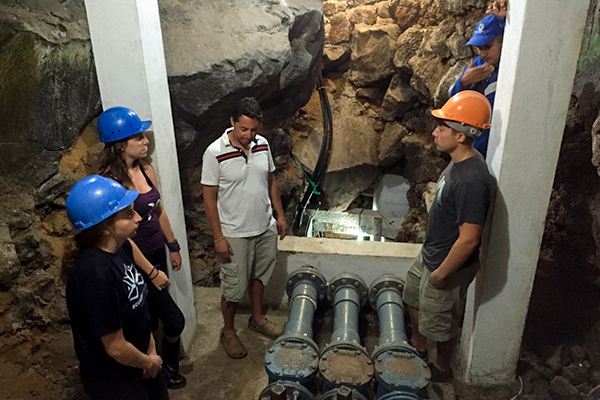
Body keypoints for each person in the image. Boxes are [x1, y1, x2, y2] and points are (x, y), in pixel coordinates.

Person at [402, 91, 494, 382]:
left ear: (462, 136)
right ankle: (418, 345)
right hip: (431, 254)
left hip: (446, 264)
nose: (435, 132)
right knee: (413, 296)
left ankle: (441, 368)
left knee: (442, 322)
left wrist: (442, 274)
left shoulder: (471, 180)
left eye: (442, 128)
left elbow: (469, 238)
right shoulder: (459, 163)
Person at [96, 106, 186, 389]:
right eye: (139, 138)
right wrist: (150, 272)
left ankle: (161, 366)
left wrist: (172, 245)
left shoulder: (146, 171)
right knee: (171, 320)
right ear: (121, 143)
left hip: (155, 252)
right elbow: (123, 237)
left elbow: (159, 211)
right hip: (134, 261)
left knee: (156, 318)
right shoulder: (111, 182)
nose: (146, 142)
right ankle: (160, 367)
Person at [65, 175, 169, 400]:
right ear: (104, 228)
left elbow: (139, 311)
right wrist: (149, 361)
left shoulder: (120, 248)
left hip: (141, 363)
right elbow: (115, 347)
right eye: (129, 214)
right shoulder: (94, 274)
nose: (139, 218)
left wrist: (151, 350)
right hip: (117, 380)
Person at [201, 97, 287, 359]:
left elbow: (270, 179)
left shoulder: (263, 144)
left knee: (259, 277)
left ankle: (257, 319)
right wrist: (218, 237)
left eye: (253, 130)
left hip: (264, 226)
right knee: (234, 288)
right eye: (243, 129)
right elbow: (209, 198)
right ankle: (228, 332)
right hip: (235, 232)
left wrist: (279, 215)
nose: (249, 135)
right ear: (232, 123)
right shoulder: (214, 152)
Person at [448, 0, 508, 158]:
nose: (482, 53)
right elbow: (452, 103)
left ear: (505, 42)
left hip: (497, 150)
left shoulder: (512, 69)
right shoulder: (479, 64)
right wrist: (463, 83)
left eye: (487, 46)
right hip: (473, 149)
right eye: (479, 47)